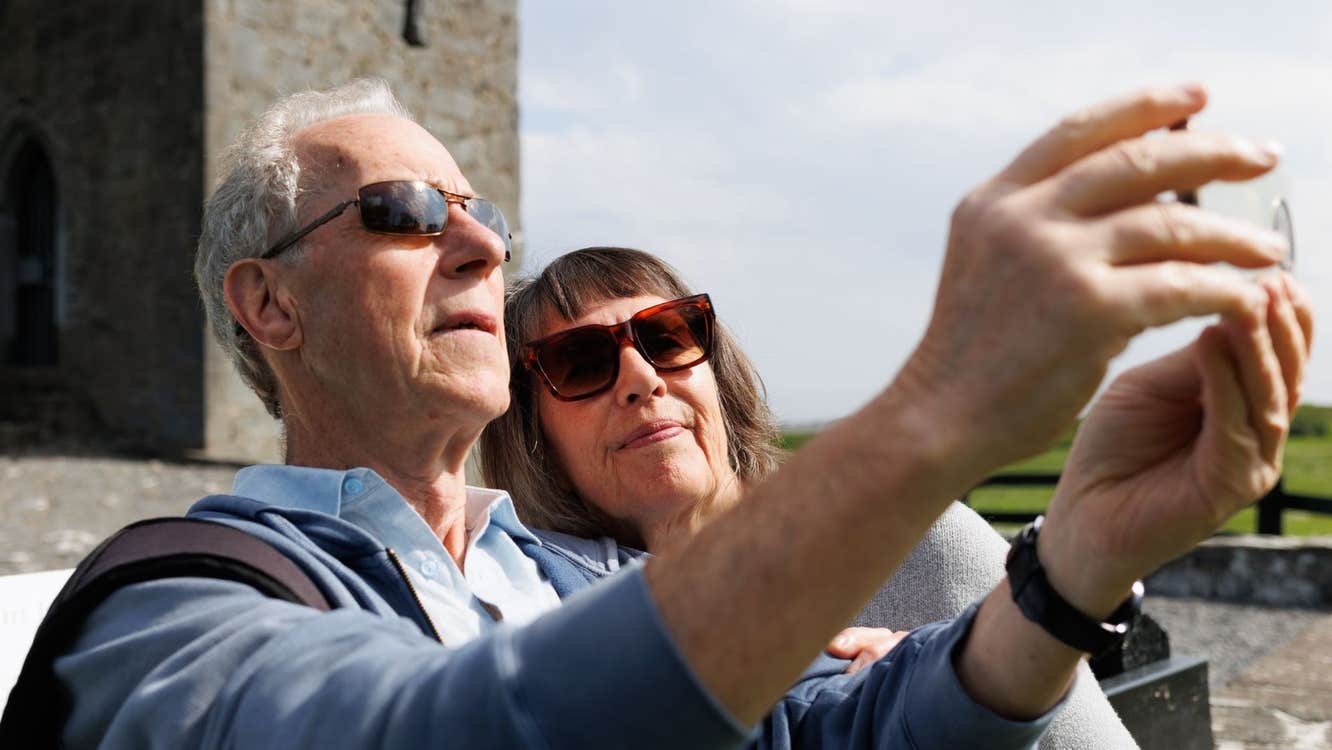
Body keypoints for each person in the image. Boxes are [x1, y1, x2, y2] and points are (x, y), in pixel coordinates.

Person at [43, 77, 1310, 749]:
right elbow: (442, 730)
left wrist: (1075, 561)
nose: (482, 245)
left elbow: (828, 735)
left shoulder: (555, 576)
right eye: (411, 215)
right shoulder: (172, 606)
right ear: (267, 305)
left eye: (479, 210)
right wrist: (939, 413)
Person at [480, 245, 1137, 747]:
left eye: (668, 336)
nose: (642, 378)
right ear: (533, 432)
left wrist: (925, 693)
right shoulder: (539, 613)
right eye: (582, 362)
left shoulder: (918, 552)